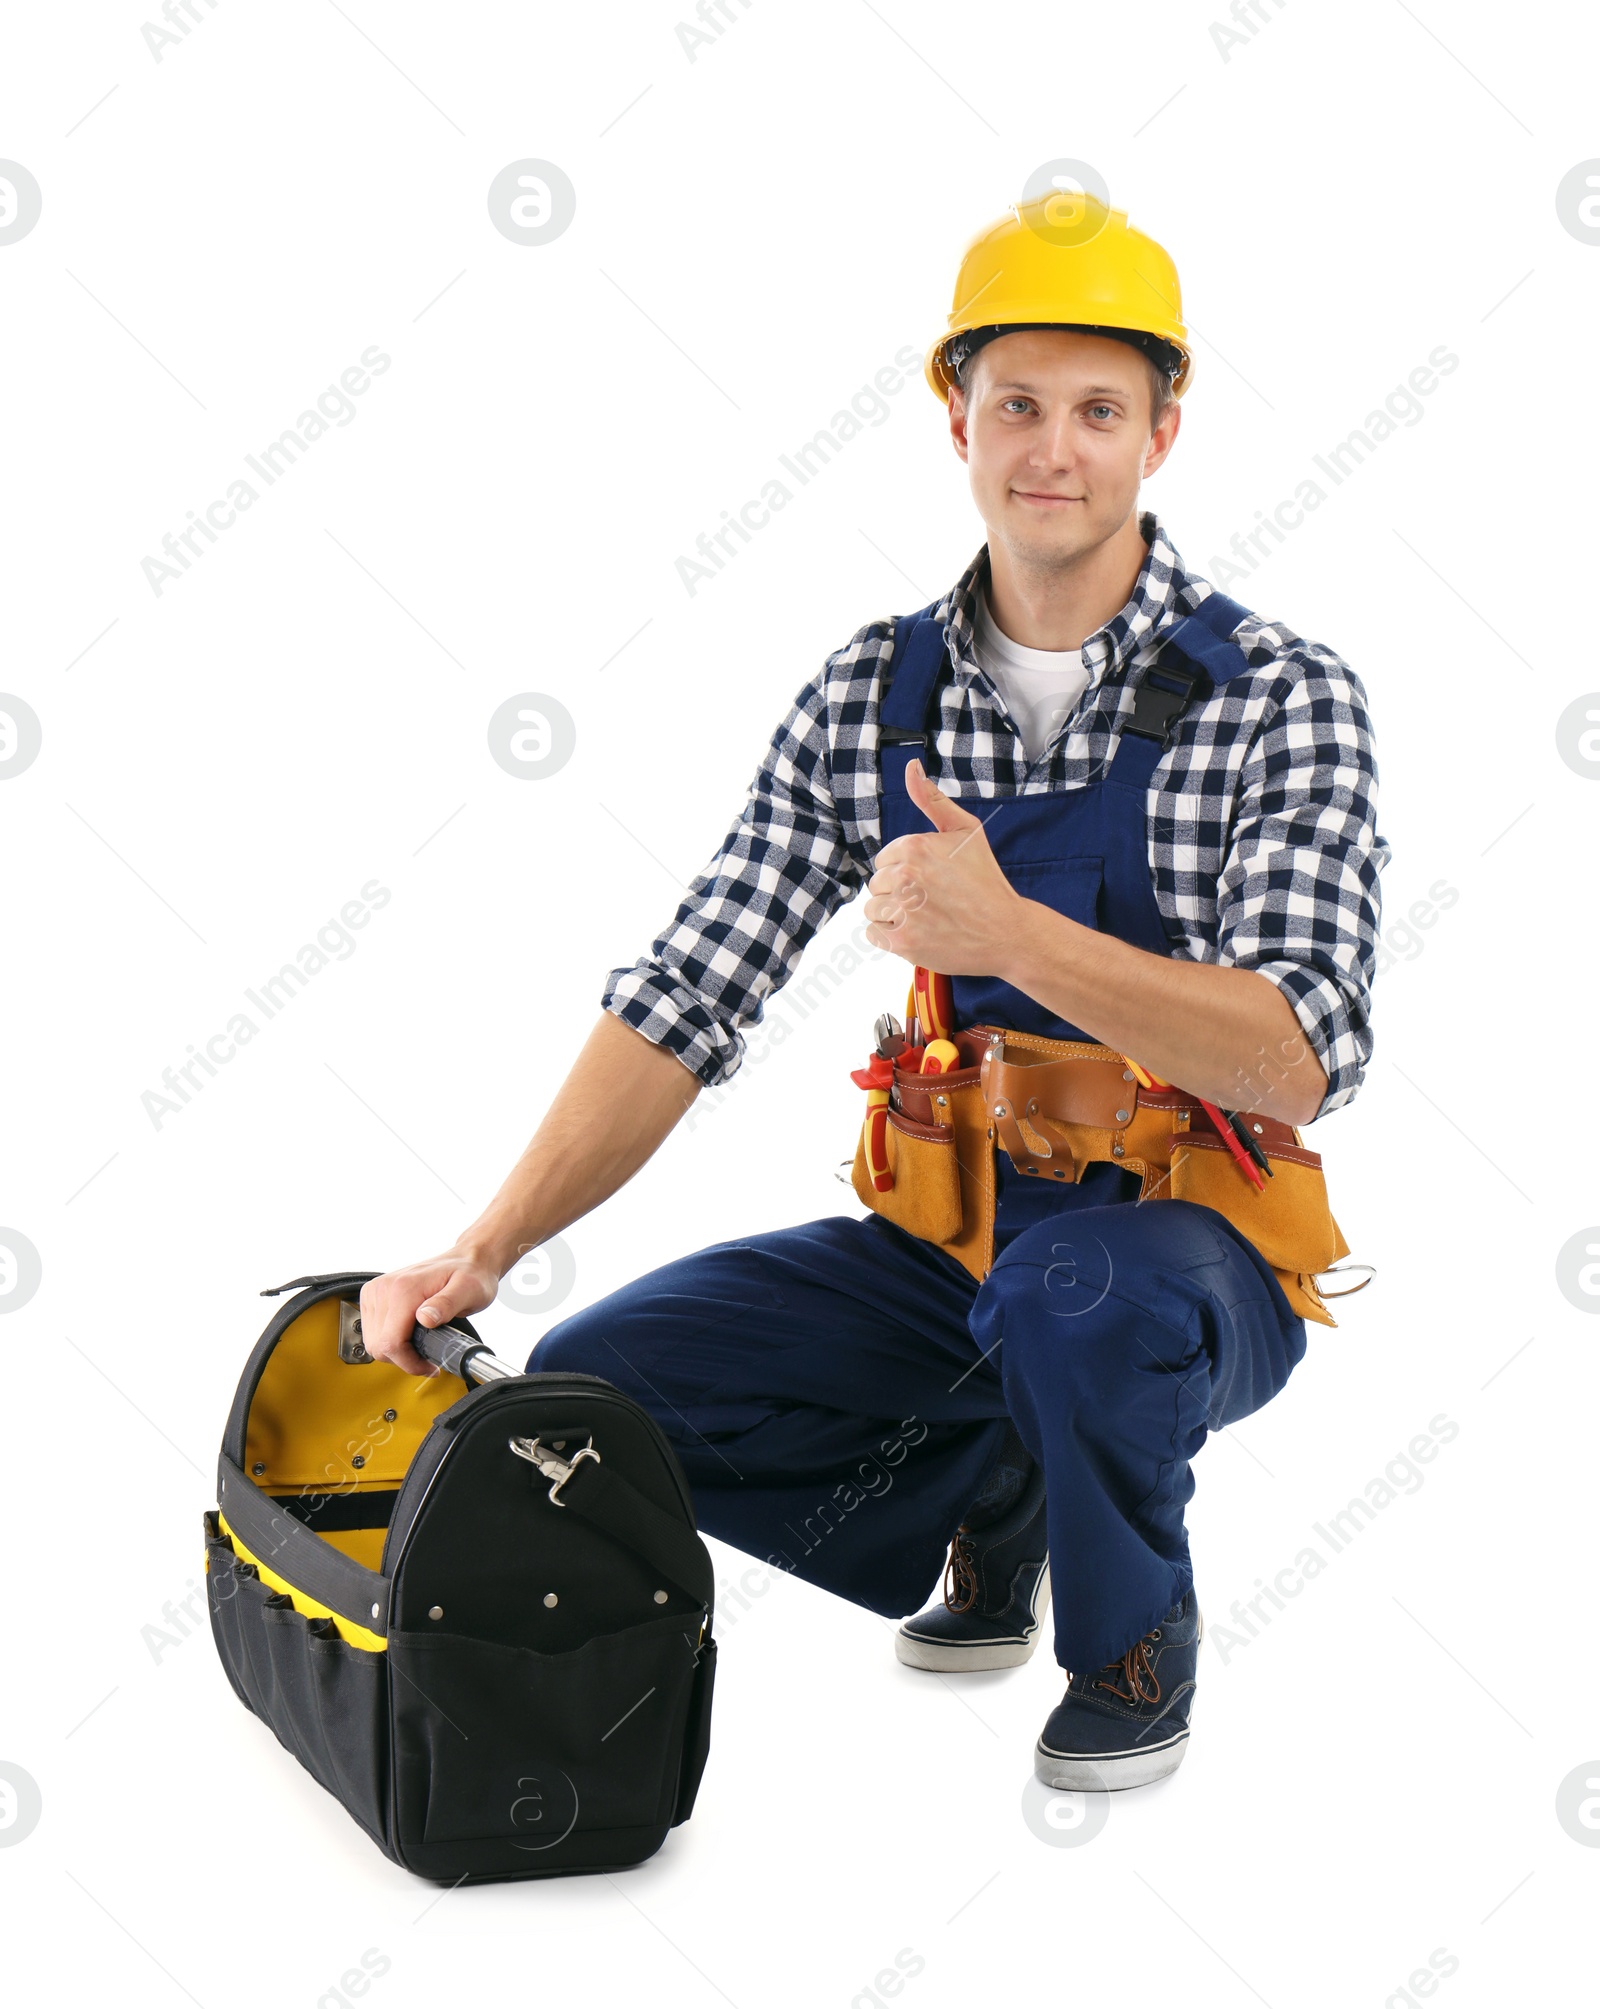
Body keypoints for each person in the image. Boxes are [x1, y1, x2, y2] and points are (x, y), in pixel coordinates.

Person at [359, 191, 1389, 1793]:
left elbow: (1298, 1056)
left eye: (1099, 410)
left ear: (1163, 432)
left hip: (1186, 1259)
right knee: (591, 1406)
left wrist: (1019, 933)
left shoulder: (1281, 697)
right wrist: (487, 1244)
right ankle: (990, 1475)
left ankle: (1129, 1640)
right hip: (945, 1249)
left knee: (1079, 1304)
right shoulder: (873, 693)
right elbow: (692, 986)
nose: (1055, 449)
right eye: (1019, 405)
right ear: (955, 415)